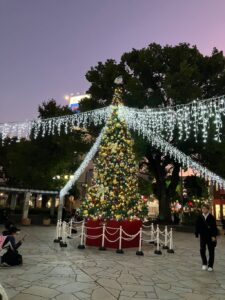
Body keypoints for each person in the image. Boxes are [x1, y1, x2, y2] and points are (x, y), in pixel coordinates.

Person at [195, 204, 218, 271]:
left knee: (211, 251)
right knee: (202, 250)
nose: (204, 210)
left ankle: (210, 265)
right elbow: (197, 225)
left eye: (205, 208)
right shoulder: (200, 217)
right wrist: (197, 233)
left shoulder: (211, 217)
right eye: (203, 208)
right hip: (203, 236)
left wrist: (214, 236)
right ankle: (204, 263)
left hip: (210, 236)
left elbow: (214, 228)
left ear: (208, 209)